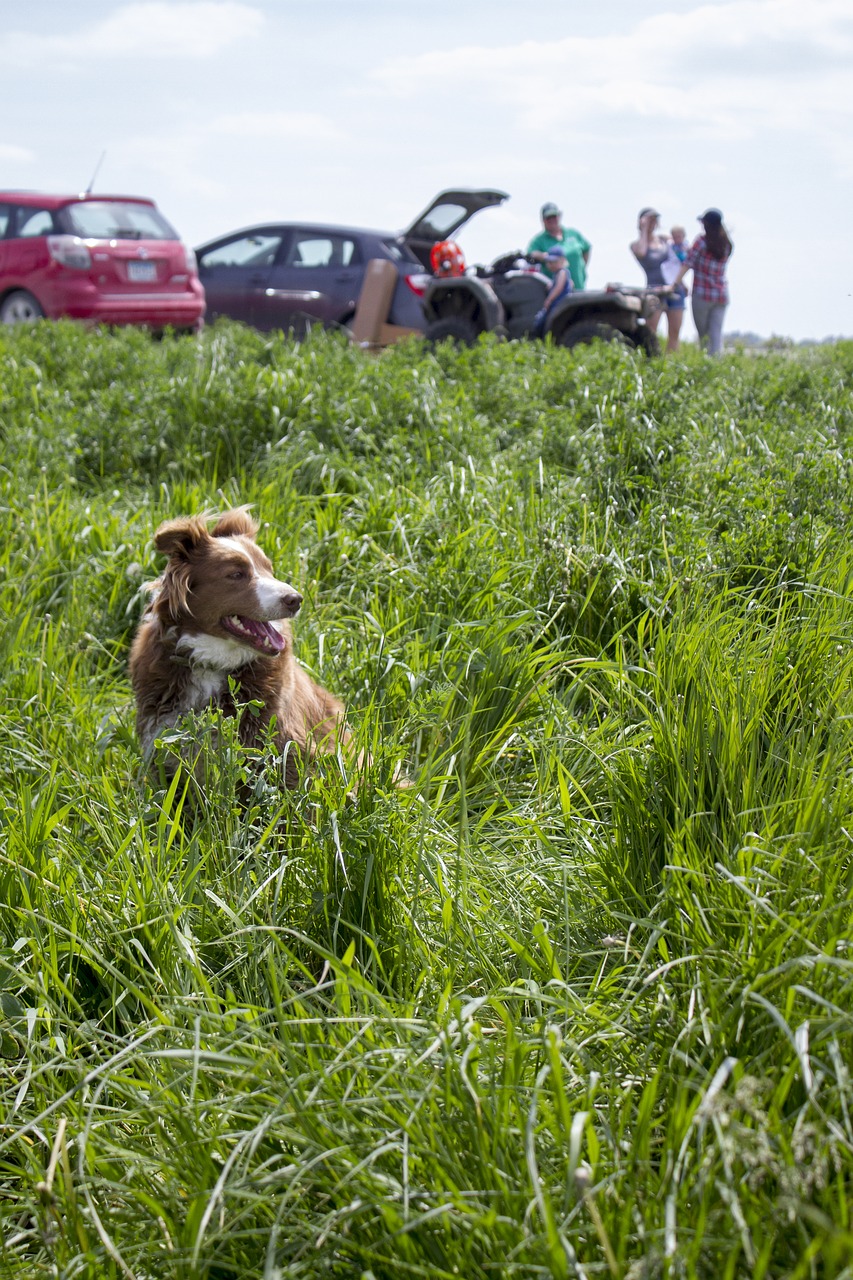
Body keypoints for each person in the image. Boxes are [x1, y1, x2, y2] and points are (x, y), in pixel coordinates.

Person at [671, 209, 733, 356]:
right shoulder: (727, 244)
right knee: (716, 335)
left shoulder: (702, 242)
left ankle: (706, 366)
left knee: (704, 336)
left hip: (702, 294)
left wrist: (675, 284)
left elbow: (688, 263)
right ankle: (717, 367)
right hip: (721, 295)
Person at [630, 207, 685, 354]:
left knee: (674, 333)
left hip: (673, 289)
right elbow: (642, 252)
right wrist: (644, 228)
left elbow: (675, 262)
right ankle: (650, 361)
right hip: (654, 291)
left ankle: (671, 366)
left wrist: (681, 283)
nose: (653, 223)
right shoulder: (636, 245)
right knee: (650, 332)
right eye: (650, 220)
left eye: (654, 220)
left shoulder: (664, 240)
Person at [527, 202, 591, 291]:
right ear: (543, 220)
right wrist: (544, 256)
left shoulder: (573, 233)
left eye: (554, 216)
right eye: (548, 218)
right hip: (557, 294)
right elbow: (531, 253)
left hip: (579, 288)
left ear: (559, 216)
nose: (552, 220)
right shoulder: (539, 240)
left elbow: (587, 249)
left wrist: (581, 267)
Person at [533, 243, 573, 334]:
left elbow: (558, 288)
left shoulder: (562, 272)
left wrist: (549, 299)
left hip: (558, 302)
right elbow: (570, 283)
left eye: (554, 262)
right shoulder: (558, 274)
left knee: (541, 321)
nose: (551, 265)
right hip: (558, 302)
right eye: (549, 262)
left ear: (562, 261)